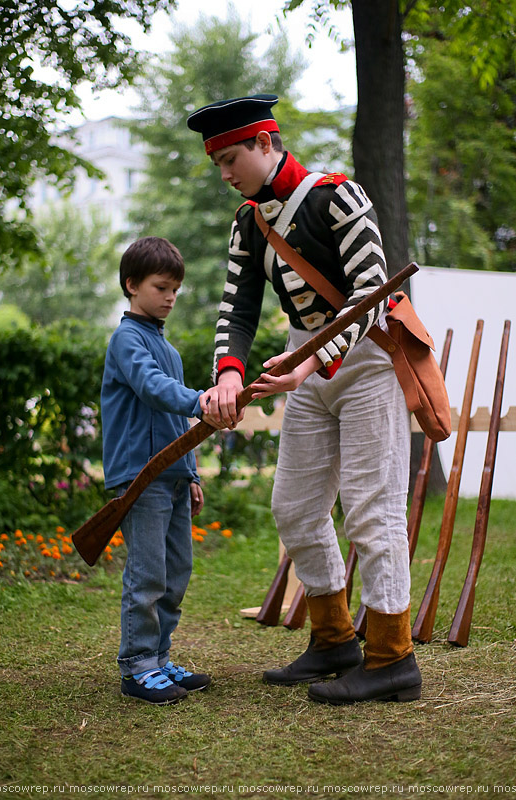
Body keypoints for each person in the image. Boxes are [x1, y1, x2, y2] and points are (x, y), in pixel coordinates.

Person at [187, 94, 422, 705]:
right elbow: (236, 306)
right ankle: (334, 639)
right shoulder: (249, 221)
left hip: (366, 357)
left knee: (373, 511)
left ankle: (393, 658)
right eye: (217, 163)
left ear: (266, 142)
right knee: (294, 507)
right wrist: (230, 374)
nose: (225, 173)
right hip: (305, 363)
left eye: (231, 157)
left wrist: (312, 362)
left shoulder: (339, 196)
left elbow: (370, 293)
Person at [101, 236, 225, 705]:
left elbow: (174, 424)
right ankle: (136, 666)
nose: (171, 296)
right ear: (132, 286)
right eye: (161, 287)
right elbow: (155, 390)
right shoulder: (127, 340)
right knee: (148, 573)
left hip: (171, 477)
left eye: (176, 288)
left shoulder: (163, 343)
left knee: (176, 572)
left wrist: (191, 474)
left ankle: (159, 657)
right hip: (140, 477)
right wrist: (200, 399)